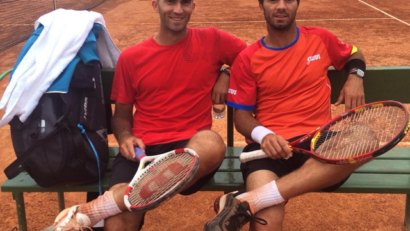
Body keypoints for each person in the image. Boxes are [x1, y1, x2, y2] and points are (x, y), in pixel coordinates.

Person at [53, 0, 247, 230]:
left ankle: (99, 207)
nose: (177, 9)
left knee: (212, 142)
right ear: (155, 5)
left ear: (193, 6)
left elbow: (251, 57)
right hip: (141, 151)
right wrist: (125, 138)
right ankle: (136, 194)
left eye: (184, 3)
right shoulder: (131, 58)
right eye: (170, 2)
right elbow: (122, 116)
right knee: (117, 225)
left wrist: (227, 72)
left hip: (192, 149)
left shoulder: (212, 40)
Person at [203, 0, 367, 230]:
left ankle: (252, 200)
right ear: (261, 6)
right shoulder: (248, 58)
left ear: (297, 5)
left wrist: (355, 76)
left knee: (363, 136)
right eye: (272, 0)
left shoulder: (320, 38)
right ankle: (260, 198)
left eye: (288, 0)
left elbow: (353, 52)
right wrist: (265, 135)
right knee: (266, 225)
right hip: (267, 151)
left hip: (319, 143)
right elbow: (241, 117)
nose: (281, 6)